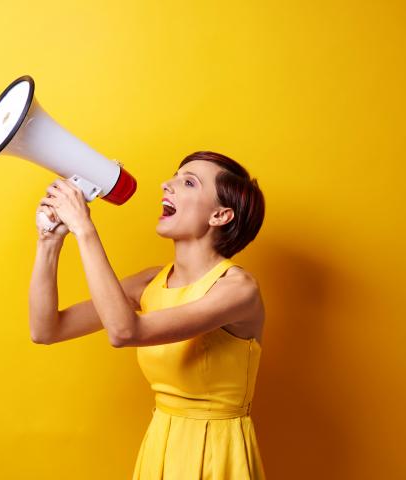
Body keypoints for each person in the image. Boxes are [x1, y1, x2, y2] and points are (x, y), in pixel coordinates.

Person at [29, 150, 266, 479]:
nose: (166, 185)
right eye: (175, 176)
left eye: (188, 182)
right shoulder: (149, 281)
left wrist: (84, 228)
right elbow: (46, 329)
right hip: (160, 445)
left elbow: (125, 332)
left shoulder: (238, 290)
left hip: (217, 453)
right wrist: (49, 241)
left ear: (221, 215)